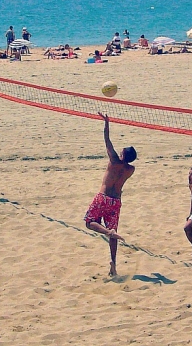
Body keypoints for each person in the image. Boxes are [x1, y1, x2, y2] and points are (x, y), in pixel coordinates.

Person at [83, 112, 136, 276]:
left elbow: (107, 141)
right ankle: (113, 263)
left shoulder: (114, 161)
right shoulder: (130, 169)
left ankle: (107, 232)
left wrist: (107, 123)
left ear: (122, 155)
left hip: (103, 197)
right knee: (113, 231)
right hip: (116, 202)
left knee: (89, 222)